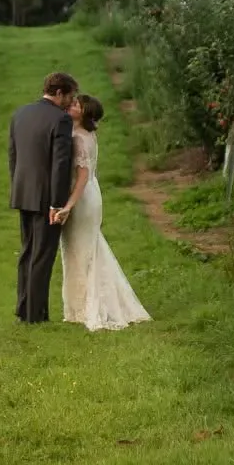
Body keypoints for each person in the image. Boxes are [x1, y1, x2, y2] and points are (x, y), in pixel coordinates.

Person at [56, 94, 151, 331]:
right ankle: (80, 306)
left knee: (83, 252)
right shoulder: (83, 134)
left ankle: (87, 307)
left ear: (84, 113)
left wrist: (68, 205)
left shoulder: (79, 138)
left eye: (77, 105)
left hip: (82, 197)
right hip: (90, 194)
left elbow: (82, 176)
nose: (71, 105)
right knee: (82, 250)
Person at [8, 70, 77, 322]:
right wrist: (57, 204)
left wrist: (17, 187)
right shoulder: (61, 120)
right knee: (42, 255)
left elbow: (13, 156)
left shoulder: (20, 113)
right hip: (46, 197)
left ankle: (23, 309)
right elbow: (61, 165)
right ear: (59, 93)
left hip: (23, 191)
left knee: (27, 252)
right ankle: (35, 315)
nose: (71, 102)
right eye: (70, 96)